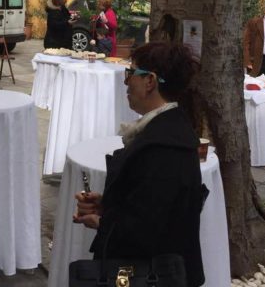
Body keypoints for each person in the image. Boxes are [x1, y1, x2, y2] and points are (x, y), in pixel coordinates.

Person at [73, 42, 206, 287]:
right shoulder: (166, 129)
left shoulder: (164, 146)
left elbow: (146, 231)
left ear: (150, 81)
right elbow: (150, 203)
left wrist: (101, 223)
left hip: (148, 277)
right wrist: (106, 204)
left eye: (130, 73)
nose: (126, 82)